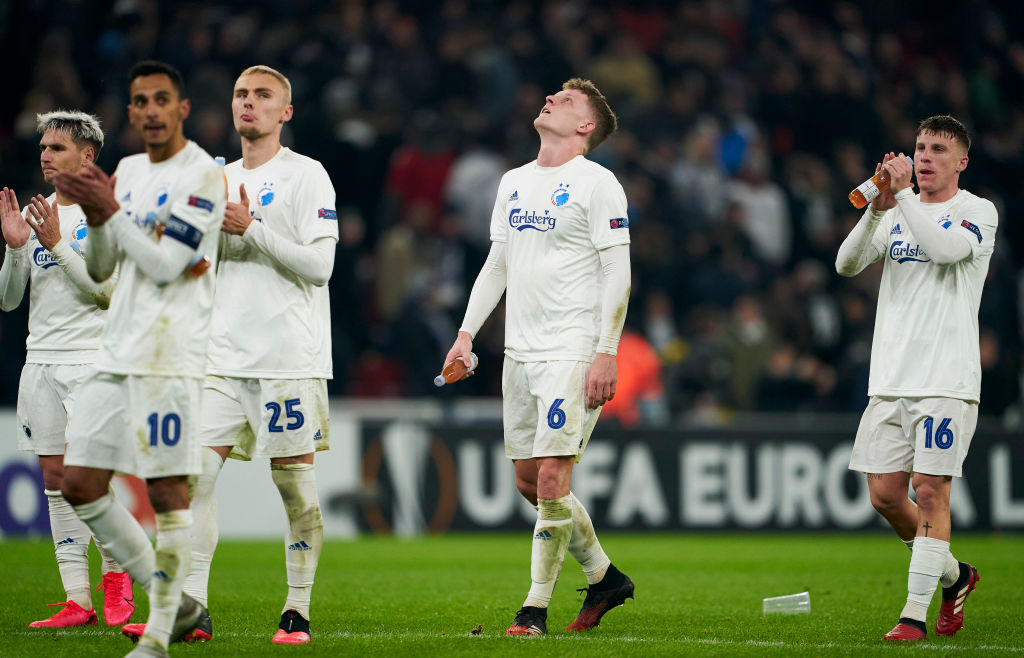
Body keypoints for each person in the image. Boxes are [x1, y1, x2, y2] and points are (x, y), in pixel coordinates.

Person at [122, 64, 337, 646]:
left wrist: (252, 226)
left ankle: (297, 610)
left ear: (284, 112)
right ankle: (194, 608)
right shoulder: (213, 177)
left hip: (286, 357)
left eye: (263, 95)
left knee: (292, 487)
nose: (249, 103)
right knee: (193, 482)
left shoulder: (307, 176)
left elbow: (322, 267)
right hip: (220, 358)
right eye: (241, 94)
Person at [443, 78, 634, 636]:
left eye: (567, 101)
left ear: (585, 126)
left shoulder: (598, 184)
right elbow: (497, 263)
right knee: (530, 482)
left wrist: (605, 352)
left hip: (572, 351)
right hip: (519, 353)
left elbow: (617, 271)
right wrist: (465, 334)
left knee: (552, 478)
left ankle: (533, 610)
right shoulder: (513, 182)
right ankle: (604, 578)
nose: (550, 99)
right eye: (552, 95)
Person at [55, 60, 226, 657]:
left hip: (169, 354)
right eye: (140, 101)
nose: (150, 110)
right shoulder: (125, 170)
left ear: (181, 108)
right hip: (116, 348)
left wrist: (109, 211)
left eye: (162, 99)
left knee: (167, 493)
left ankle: (156, 639)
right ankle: (175, 600)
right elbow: (104, 266)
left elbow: (162, 264)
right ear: (129, 113)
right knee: (79, 483)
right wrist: (103, 216)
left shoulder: (203, 175)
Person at [835, 115, 996, 642]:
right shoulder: (897, 210)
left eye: (938, 149)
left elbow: (947, 250)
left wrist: (902, 198)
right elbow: (846, 264)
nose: (924, 156)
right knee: (883, 495)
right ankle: (955, 576)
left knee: (929, 491)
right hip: (890, 378)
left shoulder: (977, 212)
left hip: (944, 380)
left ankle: (912, 617)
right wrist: (877, 210)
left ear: (961, 161)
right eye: (920, 147)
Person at [0, 110, 135, 629]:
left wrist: (55, 244)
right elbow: (10, 302)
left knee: (87, 481)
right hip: (41, 363)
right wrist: (16, 250)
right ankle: (77, 599)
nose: (45, 155)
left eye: (57, 147)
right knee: (55, 481)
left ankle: (117, 579)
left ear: (88, 156)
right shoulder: (36, 214)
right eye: (43, 147)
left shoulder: (104, 214)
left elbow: (105, 293)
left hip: (93, 363)